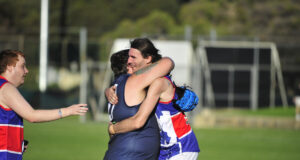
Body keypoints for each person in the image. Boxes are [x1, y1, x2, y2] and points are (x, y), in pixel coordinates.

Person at [106, 43, 200, 159]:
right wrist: (108, 91)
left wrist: (113, 128)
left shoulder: (158, 82)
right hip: (164, 148)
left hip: (180, 145)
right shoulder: (135, 86)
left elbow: (138, 121)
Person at [0, 49, 88, 160]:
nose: (26, 71)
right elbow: (32, 116)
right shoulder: (6, 88)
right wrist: (67, 111)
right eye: (22, 66)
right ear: (9, 67)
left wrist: (16, 144)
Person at [103, 38, 174, 160]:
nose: (131, 61)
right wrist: (112, 128)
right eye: (130, 59)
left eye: (133, 57)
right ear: (128, 67)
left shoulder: (115, 87)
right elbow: (168, 62)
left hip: (117, 152)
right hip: (132, 155)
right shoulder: (134, 81)